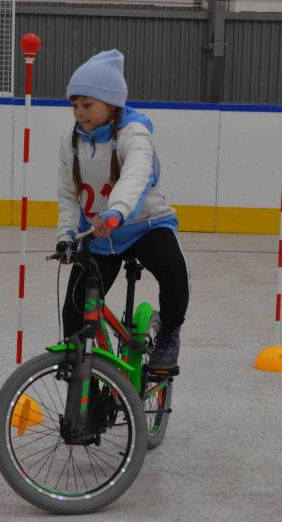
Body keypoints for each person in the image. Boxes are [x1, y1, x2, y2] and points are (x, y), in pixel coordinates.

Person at [55, 49, 190, 372]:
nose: (79, 113)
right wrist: (67, 234)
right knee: (74, 307)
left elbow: (136, 175)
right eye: (75, 105)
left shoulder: (135, 133)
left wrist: (116, 211)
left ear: (112, 103)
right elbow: (69, 194)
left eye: (87, 105)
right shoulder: (71, 140)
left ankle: (169, 334)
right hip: (100, 235)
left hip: (145, 225)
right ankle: (80, 379)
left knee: (173, 272)